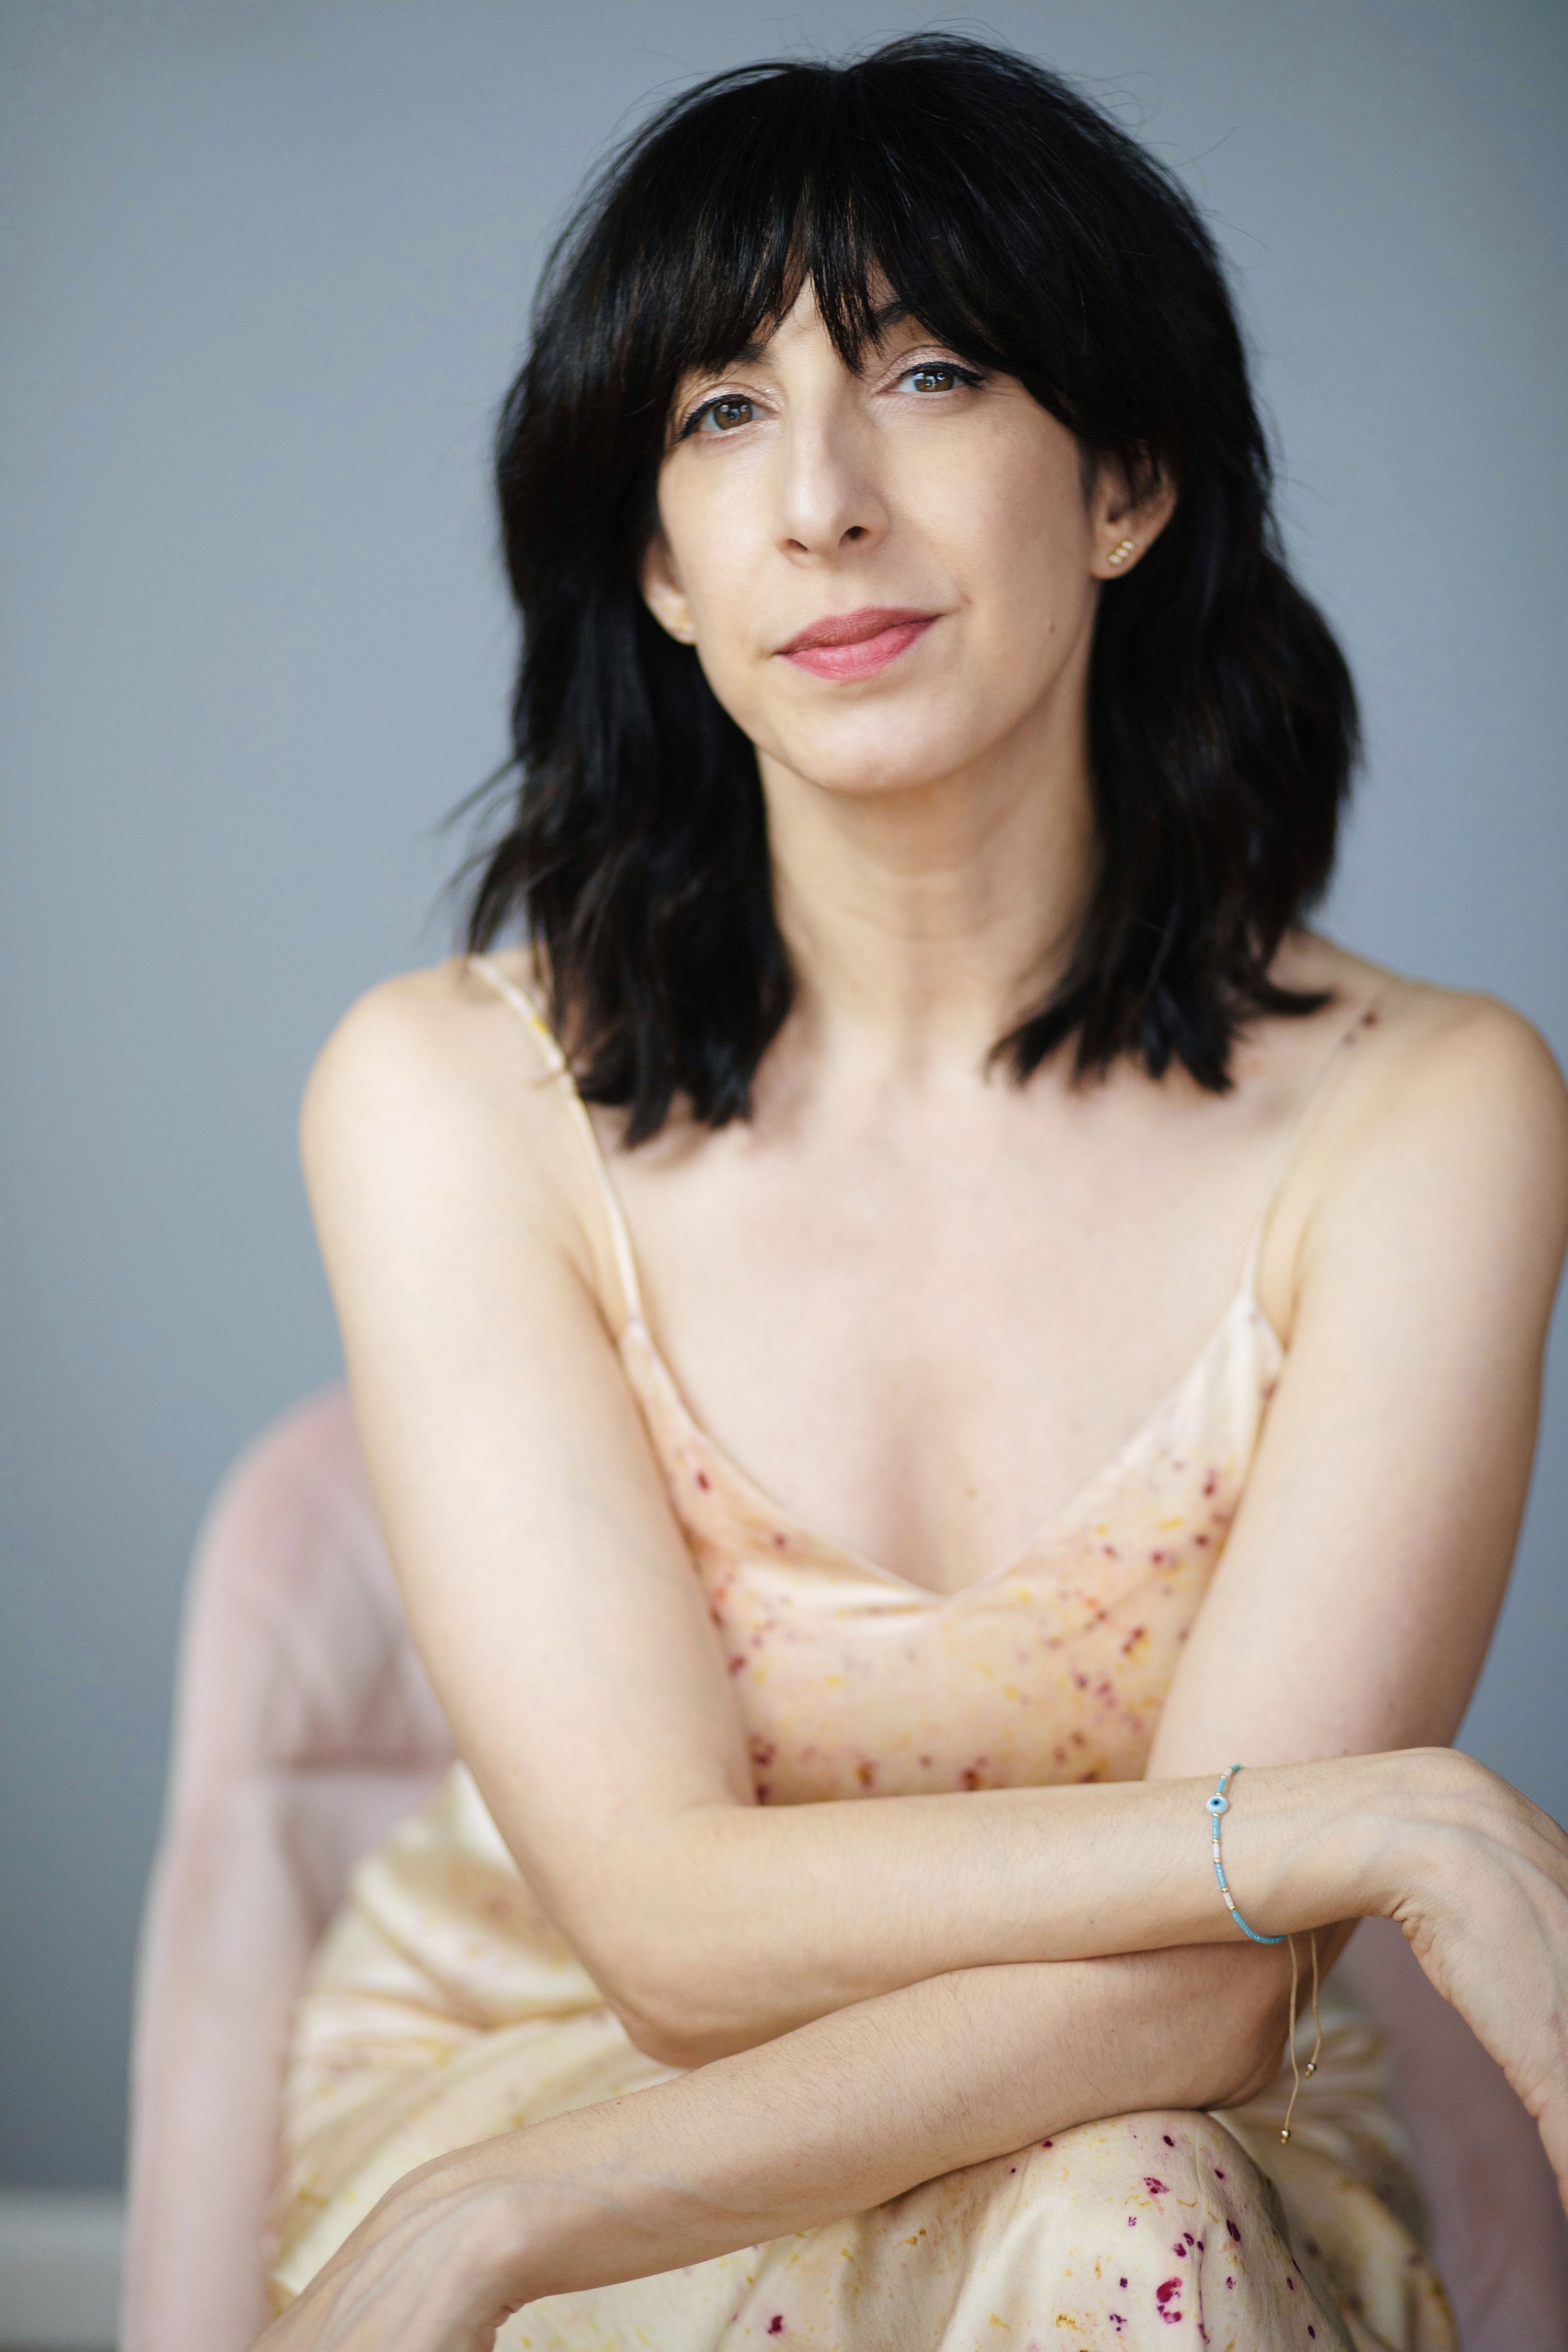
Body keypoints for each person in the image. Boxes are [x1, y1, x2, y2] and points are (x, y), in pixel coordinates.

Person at [255, 36, 1568, 2352]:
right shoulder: (452, 1094)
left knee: (1129, 2209)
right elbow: (663, 1931)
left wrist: (1307, 1883)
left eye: (929, 371)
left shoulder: (1430, 1109)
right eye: (717, 415)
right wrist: (1379, 1824)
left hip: (1170, 2127)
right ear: (654, 567)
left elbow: (1202, 2019)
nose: (821, 504)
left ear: (1129, 477)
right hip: (569, 2091)